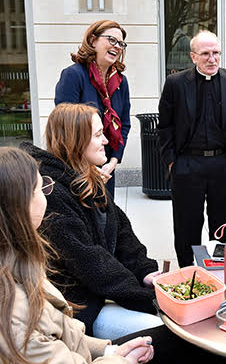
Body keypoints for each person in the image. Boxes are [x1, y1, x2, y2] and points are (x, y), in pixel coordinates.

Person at [0, 146, 154, 364]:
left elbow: (58, 329)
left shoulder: (18, 262)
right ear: (18, 206)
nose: (106, 140)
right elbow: (96, 266)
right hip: (91, 310)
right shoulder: (12, 315)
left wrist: (108, 351)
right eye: (41, 189)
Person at [20, 103, 163, 341]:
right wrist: (151, 300)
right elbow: (90, 262)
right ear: (74, 141)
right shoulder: (52, 193)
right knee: (161, 331)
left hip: (100, 295)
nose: (106, 140)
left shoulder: (87, 177)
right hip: (79, 310)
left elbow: (122, 234)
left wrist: (147, 271)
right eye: (98, 135)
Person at [157, 30, 226, 267]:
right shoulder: (175, 84)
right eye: (206, 54)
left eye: (216, 53)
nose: (212, 59)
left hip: (224, 165)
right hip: (187, 164)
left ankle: (217, 271)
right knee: (186, 225)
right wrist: (171, 162)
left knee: (222, 226)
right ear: (193, 56)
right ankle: (188, 272)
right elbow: (165, 127)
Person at [55, 20, 131, 197]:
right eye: (112, 40)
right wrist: (89, 167)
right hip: (78, 169)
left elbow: (124, 124)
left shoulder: (121, 81)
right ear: (93, 40)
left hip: (106, 168)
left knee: (107, 219)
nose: (117, 47)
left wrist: (112, 162)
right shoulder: (73, 75)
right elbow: (66, 127)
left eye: (121, 43)